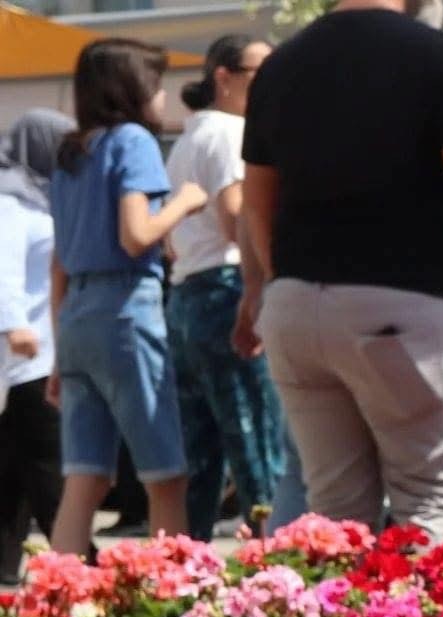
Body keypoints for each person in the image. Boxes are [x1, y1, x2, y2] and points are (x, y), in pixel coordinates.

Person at [243, 0, 443, 540]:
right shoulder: (437, 55)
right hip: (404, 302)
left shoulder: (279, 65)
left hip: (296, 305)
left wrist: (290, 279)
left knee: (335, 522)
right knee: (430, 510)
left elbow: (257, 201)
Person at [48, 39, 208, 556]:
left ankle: (58, 597)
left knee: (85, 478)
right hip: (125, 311)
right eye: (157, 86)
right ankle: (172, 599)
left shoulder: (72, 152)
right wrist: (185, 201)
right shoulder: (133, 141)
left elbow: (59, 263)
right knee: (166, 475)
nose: (164, 98)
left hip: (76, 317)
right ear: (134, 90)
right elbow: (136, 235)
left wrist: (58, 355)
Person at [165, 34, 284, 540]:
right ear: (225, 76)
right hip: (229, 288)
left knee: (201, 453)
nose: (273, 81)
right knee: (256, 441)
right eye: (263, 71)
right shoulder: (232, 132)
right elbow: (240, 214)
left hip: (188, 294)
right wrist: (266, 281)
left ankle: (185, 569)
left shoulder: (188, 138)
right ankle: (276, 566)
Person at [0, 109, 73, 581]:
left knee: (12, 476)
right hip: (29, 356)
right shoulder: (10, 202)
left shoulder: (40, 200)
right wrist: (13, 327)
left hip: (41, 356)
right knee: (50, 472)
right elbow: (2, 270)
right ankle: (80, 566)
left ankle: (5, 571)